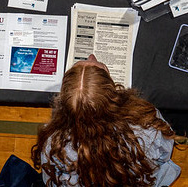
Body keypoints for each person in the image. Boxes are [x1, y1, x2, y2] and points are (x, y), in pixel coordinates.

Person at [32, 55, 180, 187]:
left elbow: (50, 177)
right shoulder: (146, 123)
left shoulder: (53, 144)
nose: (91, 56)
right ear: (112, 95)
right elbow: (165, 152)